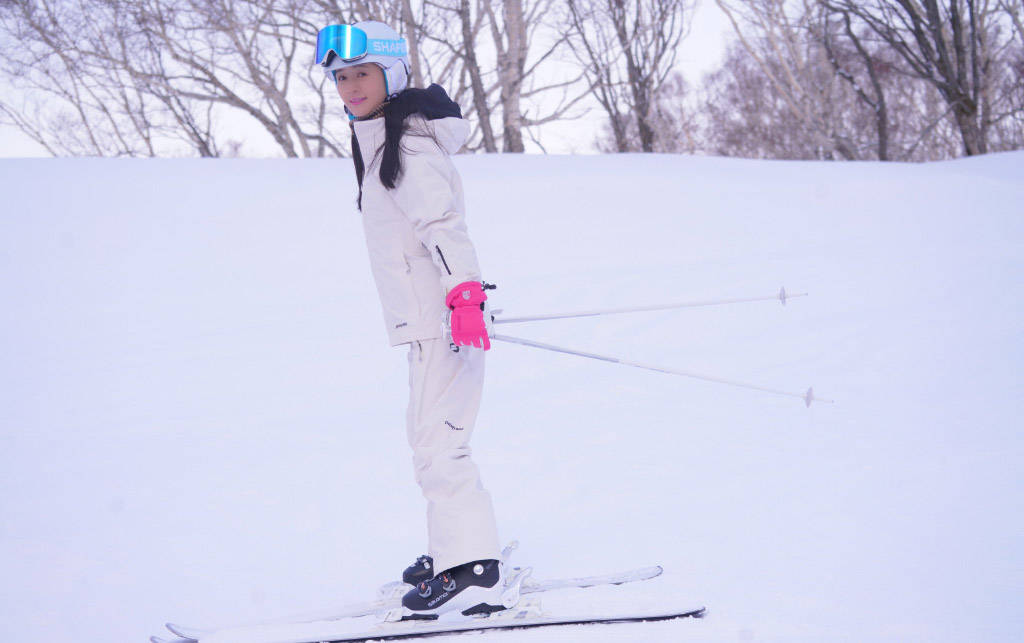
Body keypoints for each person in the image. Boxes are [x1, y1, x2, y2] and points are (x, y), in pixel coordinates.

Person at [314, 21, 507, 619]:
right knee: (429, 440)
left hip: (447, 322)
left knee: (440, 447)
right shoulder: (380, 142)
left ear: (390, 73)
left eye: (362, 74)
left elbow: (442, 227)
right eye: (341, 77)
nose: (350, 87)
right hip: (428, 326)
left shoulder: (409, 146)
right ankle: (452, 548)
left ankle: (473, 571)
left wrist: (465, 296)